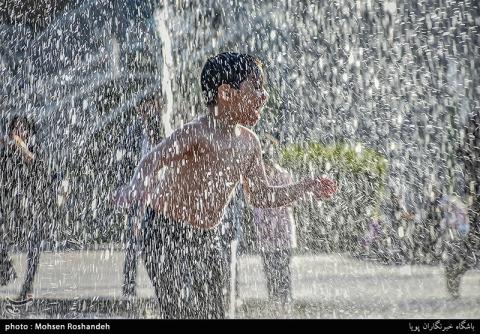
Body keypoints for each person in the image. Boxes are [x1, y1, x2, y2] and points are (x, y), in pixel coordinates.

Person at [114, 52, 337, 319]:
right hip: (164, 232)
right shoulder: (197, 132)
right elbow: (152, 160)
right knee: (179, 311)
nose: (264, 95)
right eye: (255, 86)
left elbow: (261, 196)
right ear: (226, 93)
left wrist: (306, 186)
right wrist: (137, 186)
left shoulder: (249, 143)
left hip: (207, 237)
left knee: (216, 311)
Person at [122, 91, 164, 298]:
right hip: (138, 192)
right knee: (132, 239)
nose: (149, 111)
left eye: (152, 106)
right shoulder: (133, 131)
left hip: (158, 194)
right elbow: (125, 162)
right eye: (145, 107)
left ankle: (160, 284)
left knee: (155, 239)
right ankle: (129, 286)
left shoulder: (162, 128)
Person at [252, 137, 296, 306]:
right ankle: (275, 301)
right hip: (266, 233)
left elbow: (291, 201)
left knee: (283, 269)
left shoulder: (284, 175)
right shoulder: (257, 177)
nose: (266, 167)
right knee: (270, 270)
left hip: (282, 231)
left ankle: (285, 302)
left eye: (267, 162)